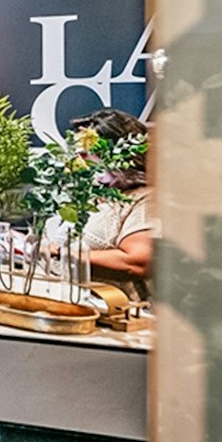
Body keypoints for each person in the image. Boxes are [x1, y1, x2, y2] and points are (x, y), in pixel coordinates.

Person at [67, 109, 153, 302]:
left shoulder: (144, 201)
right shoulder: (88, 196)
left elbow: (137, 262)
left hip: (115, 316)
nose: (78, 162)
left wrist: (61, 253)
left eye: (85, 154)